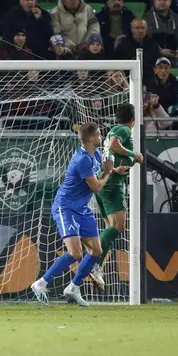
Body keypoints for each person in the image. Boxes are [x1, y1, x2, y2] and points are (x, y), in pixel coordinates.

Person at [31, 122, 125, 307]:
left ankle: (73, 288)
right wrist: (108, 173)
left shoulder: (94, 154)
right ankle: (40, 283)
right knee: (75, 253)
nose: (101, 136)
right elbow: (96, 187)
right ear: (90, 138)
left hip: (81, 208)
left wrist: (113, 170)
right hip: (66, 208)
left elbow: (98, 171)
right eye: (98, 134)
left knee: (97, 251)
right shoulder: (82, 159)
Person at [91, 104, 144, 289]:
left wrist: (130, 161)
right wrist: (133, 154)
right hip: (113, 184)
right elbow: (113, 144)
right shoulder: (123, 130)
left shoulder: (113, 131)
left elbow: (112, 153)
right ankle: (93, 262)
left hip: (106, 180)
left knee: (110, 228)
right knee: (118, 226)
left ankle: (95, 267)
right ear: (133, 119)